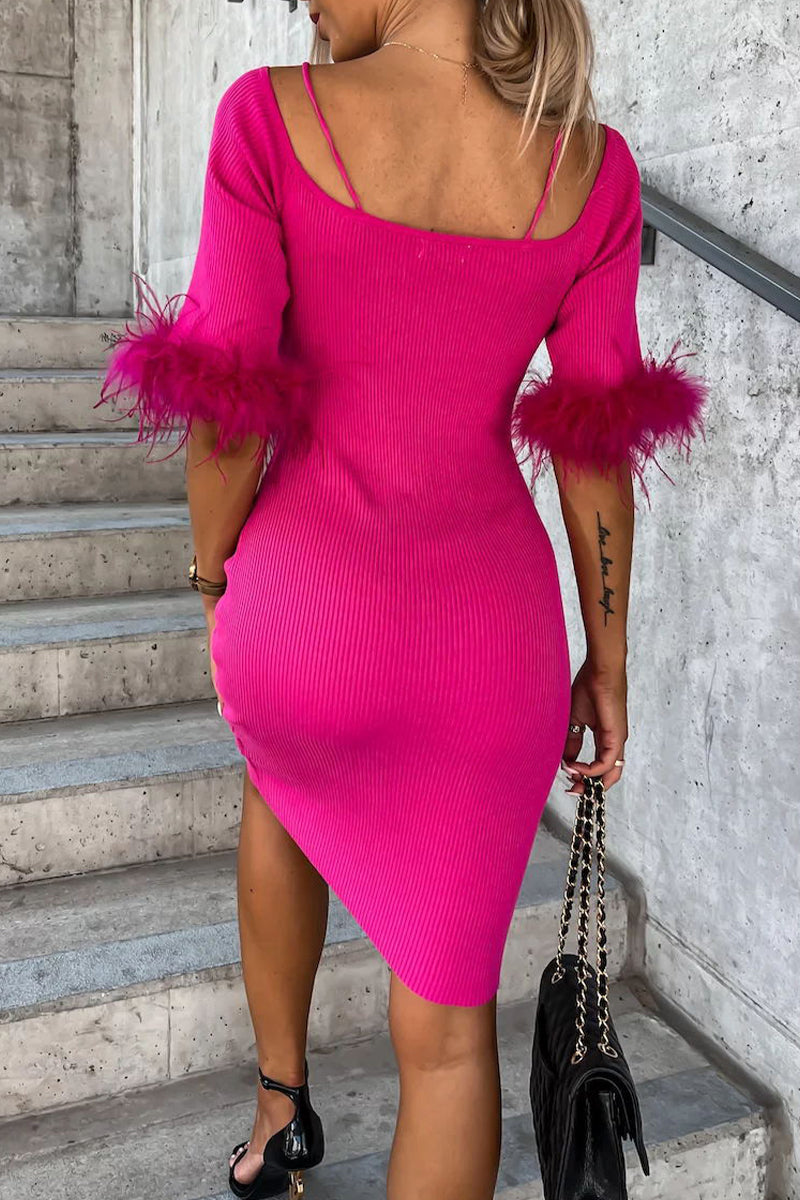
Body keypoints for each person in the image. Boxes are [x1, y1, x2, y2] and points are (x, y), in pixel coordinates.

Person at [96, 1, 708, 1197]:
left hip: (302, 609)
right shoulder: (590, 167)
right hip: (488, 646)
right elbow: (592, 454)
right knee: (447, 1044)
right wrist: (608, 661)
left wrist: (213, 578)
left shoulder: (270, 117)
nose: (307, 5)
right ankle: (296, 1108)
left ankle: (279, 1115)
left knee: (282, 790)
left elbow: (227, 414)